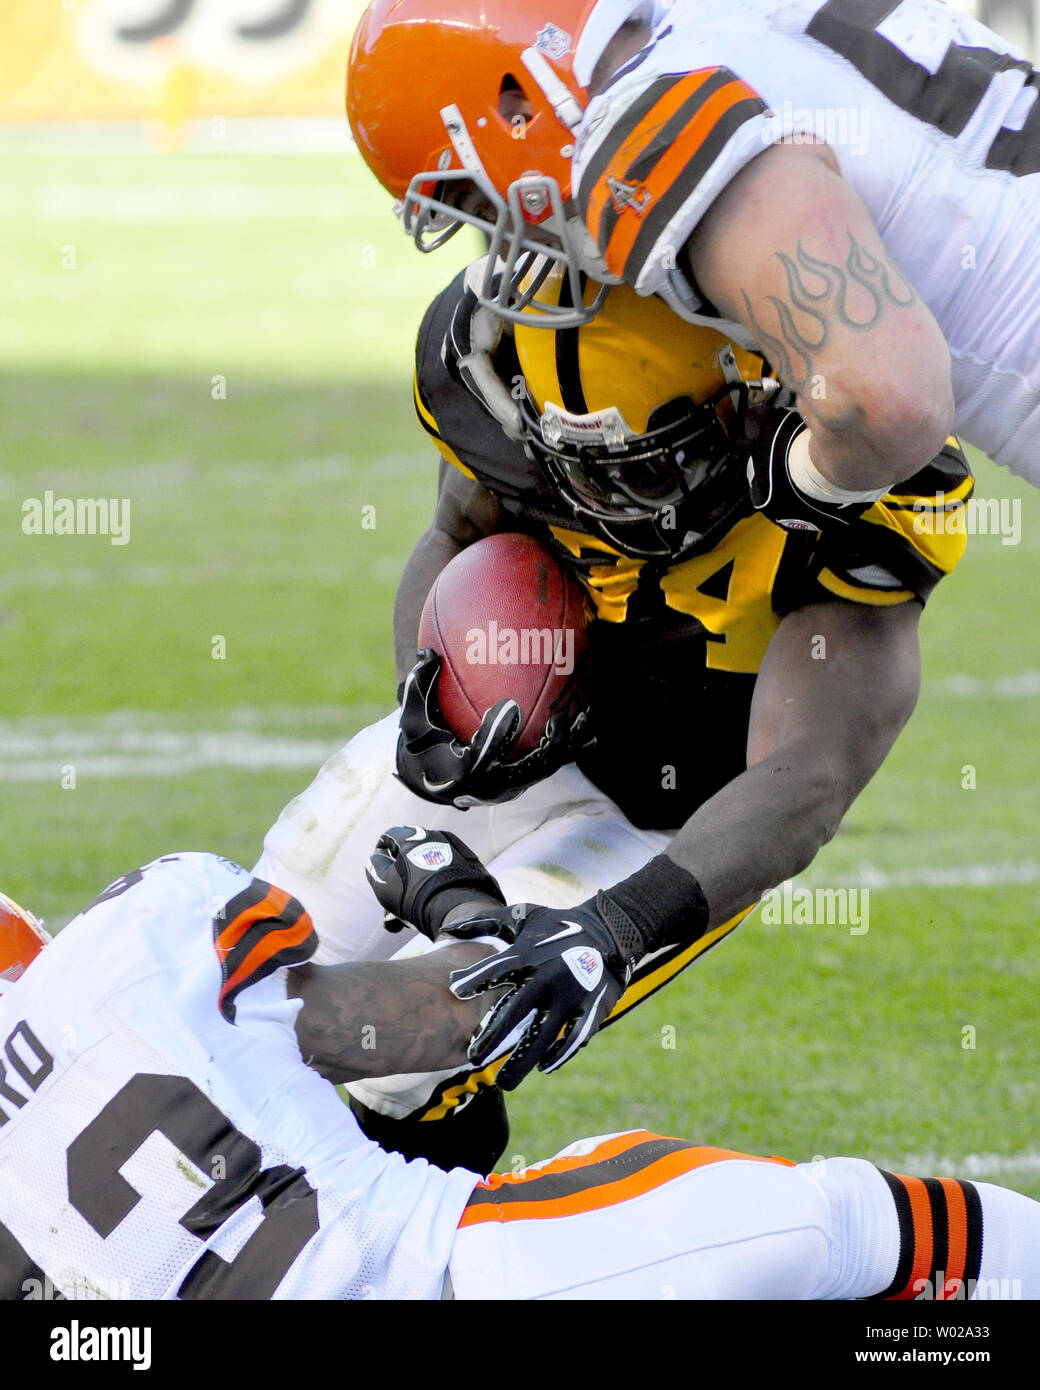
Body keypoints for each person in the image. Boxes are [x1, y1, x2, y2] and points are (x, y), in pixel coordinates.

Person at [257, 264, 970, 1162]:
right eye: (577, 470)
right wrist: (430, 701)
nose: (601, 501)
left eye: (643, 470)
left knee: (400, 1052)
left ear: (750, 405)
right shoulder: (500, 374)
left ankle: (393, 1253)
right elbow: (456, 534)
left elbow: (808, 773)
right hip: (522, 736)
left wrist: (617, 930)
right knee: (252, 948)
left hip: (675, 827)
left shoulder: (862, 475)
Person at [1, 852, 1037, 1301]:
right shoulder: (133, 946)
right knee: (844, 1227)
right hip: (473, 1276)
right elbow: (445, 1018)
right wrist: (458, 905)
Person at [346, 0, 1040, 534]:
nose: (507, 242)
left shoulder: (643, 123)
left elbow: (887, 401)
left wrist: (804, 480)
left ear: (514, 105)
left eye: (471, 197)